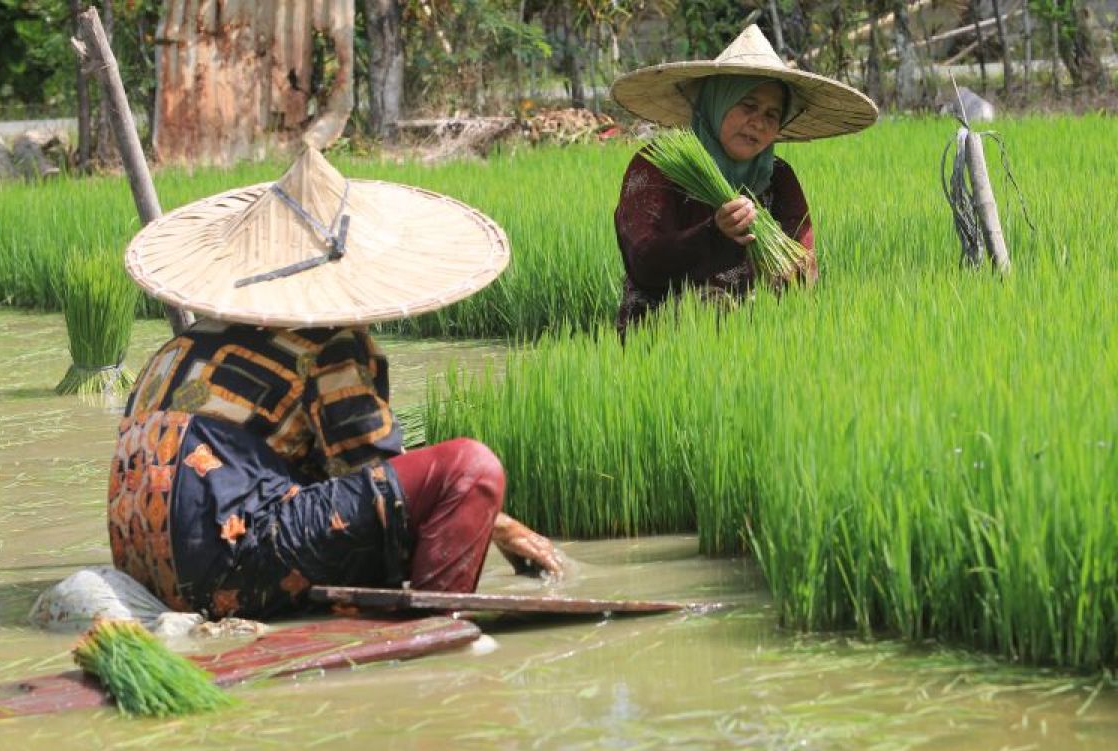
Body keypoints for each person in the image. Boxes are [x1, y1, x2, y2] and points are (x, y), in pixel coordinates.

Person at [108, 139, 562, 620]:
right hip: (228, 565)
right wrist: (499, 525)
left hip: (148, 572)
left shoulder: (179, 349)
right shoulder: (329, 342)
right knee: (471, 470)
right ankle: (434, 629)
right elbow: (370, 472)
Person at [609, 25, 879, 335]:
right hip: (662, 337)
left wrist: (791, 273)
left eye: (771, 114)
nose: (759, 123)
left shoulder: (777, 177)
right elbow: (644, 263)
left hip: (759, 335)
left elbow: (804, 268)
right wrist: (714, 233)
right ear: (717, 102)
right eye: (748, 106)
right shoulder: (659, 165)